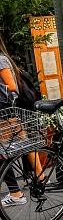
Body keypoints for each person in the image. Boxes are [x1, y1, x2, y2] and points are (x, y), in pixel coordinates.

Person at [0, 37, 26, 207]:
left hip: (3, 113)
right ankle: (15, 191)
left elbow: (12, 86)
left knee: (3, 153)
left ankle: (16, 192)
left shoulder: (0, 59)